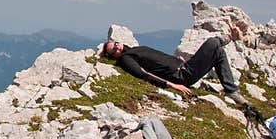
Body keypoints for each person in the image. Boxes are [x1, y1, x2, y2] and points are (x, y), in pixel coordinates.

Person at [100, 36, 250, 106]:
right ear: (113, 55)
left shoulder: (133, 50)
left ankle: (231, 90)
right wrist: (172, 85)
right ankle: (227, 38)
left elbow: (157, 59)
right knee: (213, 42)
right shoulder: (126, 59)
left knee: (219, 52)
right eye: (113, 49)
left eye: (116, 44)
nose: (118, 47)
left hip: (183, 66)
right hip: (181, 76)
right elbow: (143, 74)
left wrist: (176, 60)